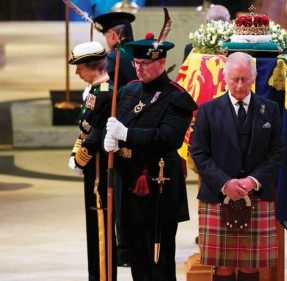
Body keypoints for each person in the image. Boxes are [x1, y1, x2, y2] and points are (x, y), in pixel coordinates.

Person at [103, 32, 197, 280]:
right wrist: (109, 138)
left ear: (162, 63)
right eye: (136, 63)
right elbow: (114, 123)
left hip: (158, 187)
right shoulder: (128, 91)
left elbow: (168, 137)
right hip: (127, 185)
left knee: (159, 257)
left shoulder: (177, 97)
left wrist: (127, 134)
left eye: (145, 64)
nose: (139, 69)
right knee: (135, 254)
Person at [190, 52, 285, 281]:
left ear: (253, 78)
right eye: (235, 79)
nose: (240, 85)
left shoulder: (269, 109)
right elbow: (199, 154)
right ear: (225, 78)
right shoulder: (208, 110)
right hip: (217, 195)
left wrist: (252, 181)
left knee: (250, 266)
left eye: (245, 79)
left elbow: (277, 152)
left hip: (257, 195)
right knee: (222, 266)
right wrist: (225, 183)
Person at [67, 41, 116, 281]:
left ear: (93, 67)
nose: (77, 72)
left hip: (99, 172)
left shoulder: (105, 94)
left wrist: (80, 158)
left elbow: (96, 135)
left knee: (100, 232)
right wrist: (75, 153)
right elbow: (86, 130)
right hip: (92, 169)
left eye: (79, 68)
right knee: (93, 230)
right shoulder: (96, 91)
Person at [93, 11, 138, 266]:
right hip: (139, 131)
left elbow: (104, 95)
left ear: (112, 35)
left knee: (118, 191)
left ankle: (123, 250)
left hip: (118, 130)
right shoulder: (139, 53)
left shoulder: (112, 58)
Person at [93, 11, 138, 91]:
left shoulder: (111, 57)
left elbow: (104, 90)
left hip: (122, 102)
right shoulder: (142, 52)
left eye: (105, 36)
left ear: (112, 35)